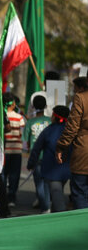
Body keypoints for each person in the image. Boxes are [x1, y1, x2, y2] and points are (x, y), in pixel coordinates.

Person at [28, 106, 71, 213]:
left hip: (52, 169)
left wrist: (31, 163)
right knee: (57, 190)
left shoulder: (49, 131)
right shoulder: (71, 131)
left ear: (55, 117)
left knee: (54, 192)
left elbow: (36, 148)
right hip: (68, 168)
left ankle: (50, 211)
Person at [56, 77, 88, 209]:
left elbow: (72, 127)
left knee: (80, 193)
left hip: (83, 150)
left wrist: (61, 146)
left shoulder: (81, 98)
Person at [24, 95, 51, 213]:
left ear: (33, 106)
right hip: (49, 155)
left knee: (39, 183)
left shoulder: (30, 122)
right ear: (46, 106)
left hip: (36, 156)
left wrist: (28, 154)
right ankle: (47, 203)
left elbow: (26, 142)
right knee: (48, 181)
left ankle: (45, 206)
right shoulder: (50, 121)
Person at [0, 92, 26, 208]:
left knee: (3, 174)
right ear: (13, 104)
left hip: (4, 150)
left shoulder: (1, 116)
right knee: (14, 175)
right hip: (16, 150)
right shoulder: (19, 117)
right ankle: (12, 197)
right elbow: (22, 134)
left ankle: (2, 196)